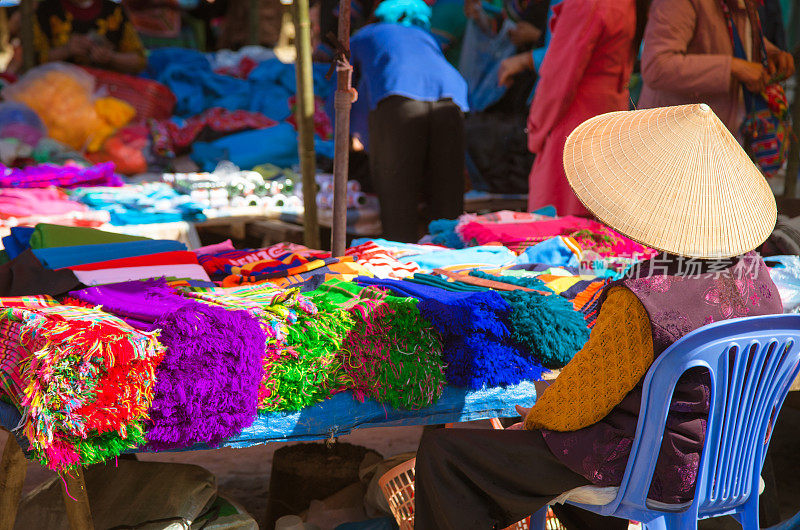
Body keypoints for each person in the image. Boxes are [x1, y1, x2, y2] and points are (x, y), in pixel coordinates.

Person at [414, 103, 783, 529]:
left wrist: (535, 414)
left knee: (447, 457)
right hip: (730, 462)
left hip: (651, 469)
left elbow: (580, 404)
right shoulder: (757, 275)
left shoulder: (644, 295)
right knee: (569, 451)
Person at [348, 0, 469, 243]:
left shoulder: (364, 35)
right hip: (452, 101)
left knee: (397, 194)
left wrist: (353, 132)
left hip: (400, 100)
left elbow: (345, 89)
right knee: (447, 193)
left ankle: (401, 260)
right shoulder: (423, 35)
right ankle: (453, 259)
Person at [523, 0, 648, 216]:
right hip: (607, 123)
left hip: (572, 129)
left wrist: (536, 130)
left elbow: (558, 78)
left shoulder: (588, 4)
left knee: (557, 233)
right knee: (595, 233)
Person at [638, 0, 795, 135]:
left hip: (716, 135)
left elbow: (735, 36)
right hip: (671, 139)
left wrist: (768, 52)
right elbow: (657, 66)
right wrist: (733, 67)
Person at [28, 0, 147, 73]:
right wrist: (66, 50)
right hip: (55, 90)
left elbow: (139, 61)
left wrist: (111, 57)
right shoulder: (45, 10)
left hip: (107, 92)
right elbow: (30, 60)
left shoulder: (114, 11)